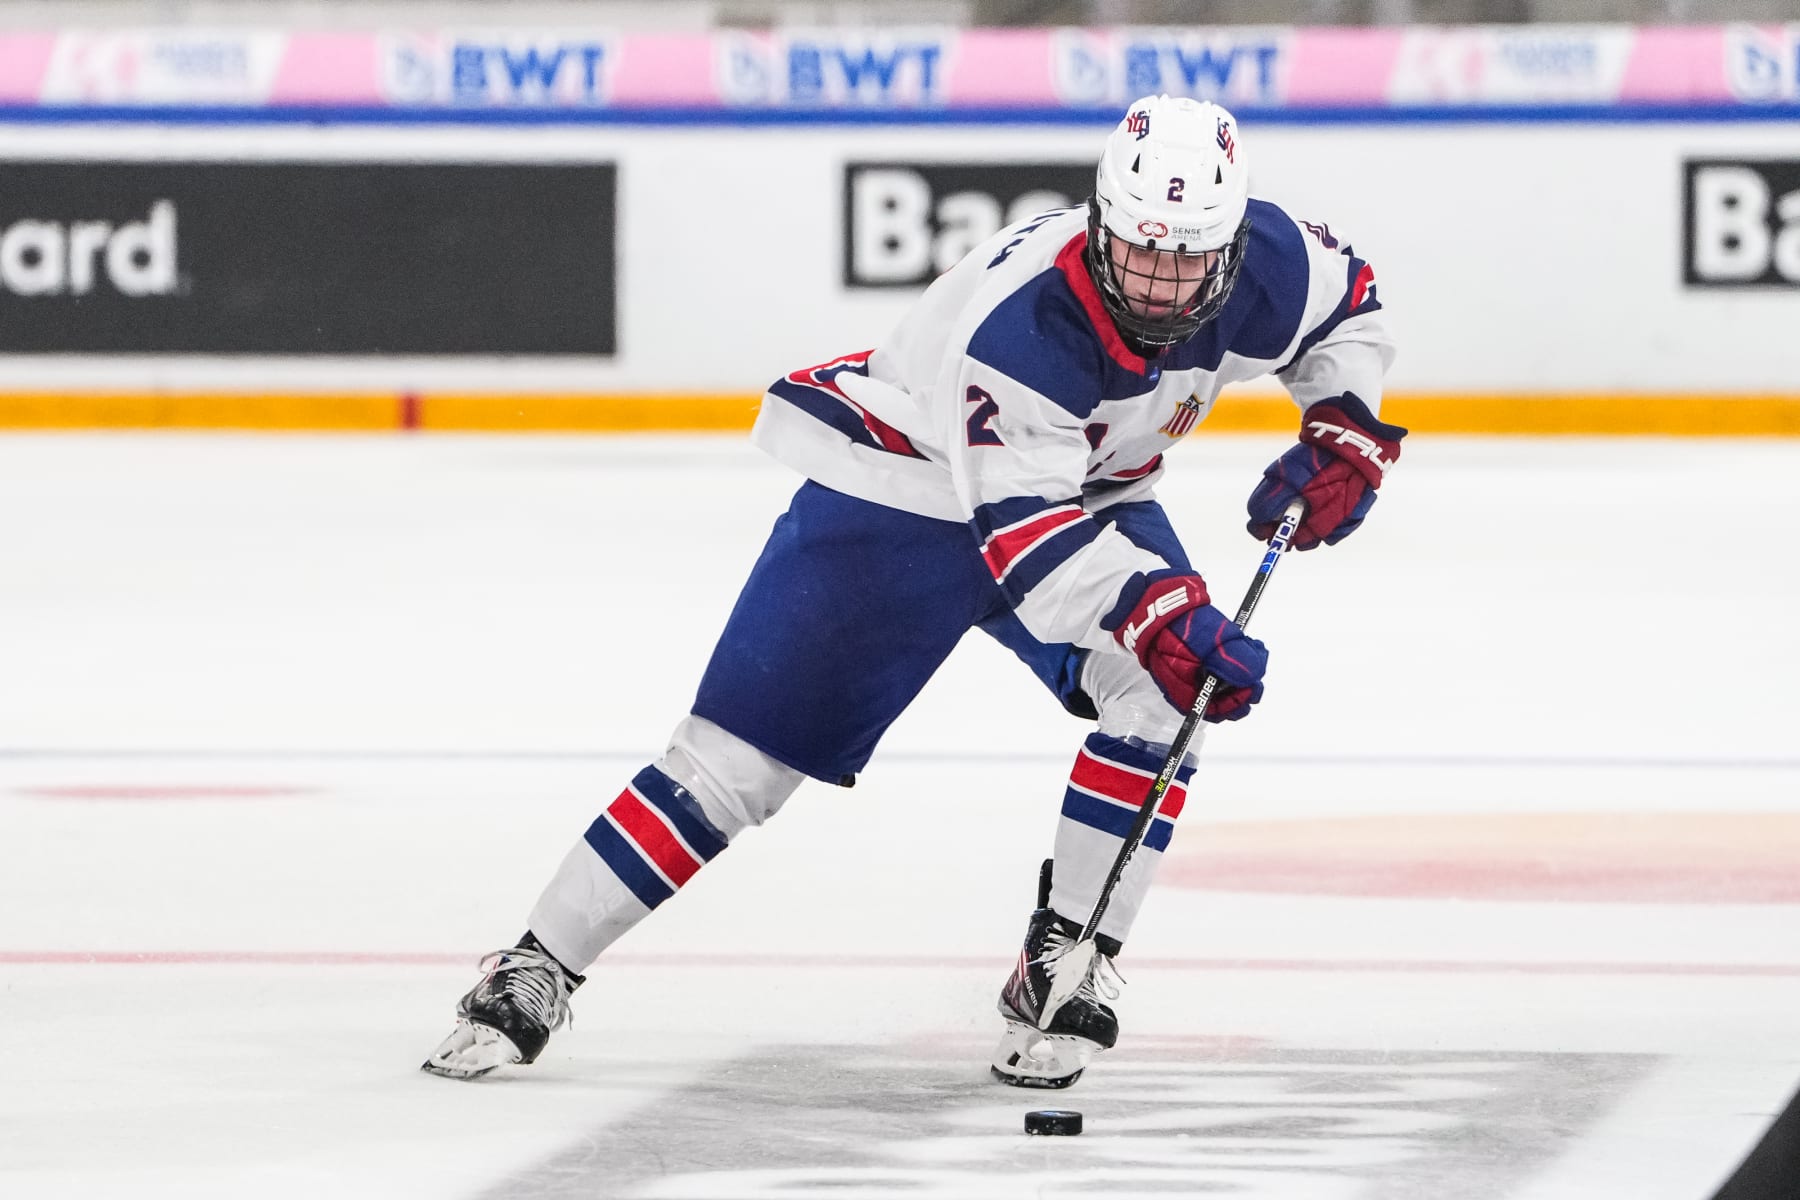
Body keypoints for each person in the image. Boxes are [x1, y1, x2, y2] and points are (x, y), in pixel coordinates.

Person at [422, 94, 1404, 1088]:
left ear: (1233, 244)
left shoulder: (1278, 259)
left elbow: (1351, 307)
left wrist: (1344, 425)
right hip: (904, 494)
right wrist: (1160, 616)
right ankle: (537, 963)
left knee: (1163, 699)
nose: (1158, 283)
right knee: (735, 769)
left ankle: (1066, 961)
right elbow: (1030, 547)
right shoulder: (1024, 328)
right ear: (1100, 219)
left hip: (1086, 491)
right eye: (1141, 251)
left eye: (1187, 258)